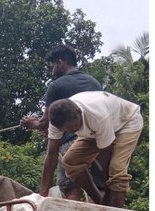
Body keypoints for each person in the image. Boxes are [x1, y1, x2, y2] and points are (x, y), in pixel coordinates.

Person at [21, 45, 105, 201]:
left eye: (53, 65)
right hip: (96, 141)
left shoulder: (56, 86)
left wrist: (32, 123)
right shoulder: (94, 83)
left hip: (69, 142)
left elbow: (46, 122)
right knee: (97, 187)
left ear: (60, 63)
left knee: (71, 187)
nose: (52, 70)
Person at [42, 92, 143, 208]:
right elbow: (51, 156)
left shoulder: (97, 115)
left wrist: (107, 198)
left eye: (75, 127)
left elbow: (106, 156)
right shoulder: (57, 121)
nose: (72, 131)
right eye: (67, 130)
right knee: (71, 162)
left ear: (79, 112)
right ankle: (99, 202)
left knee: (116, 170)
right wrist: (42, 197)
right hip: (97, 130)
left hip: (127, 122)